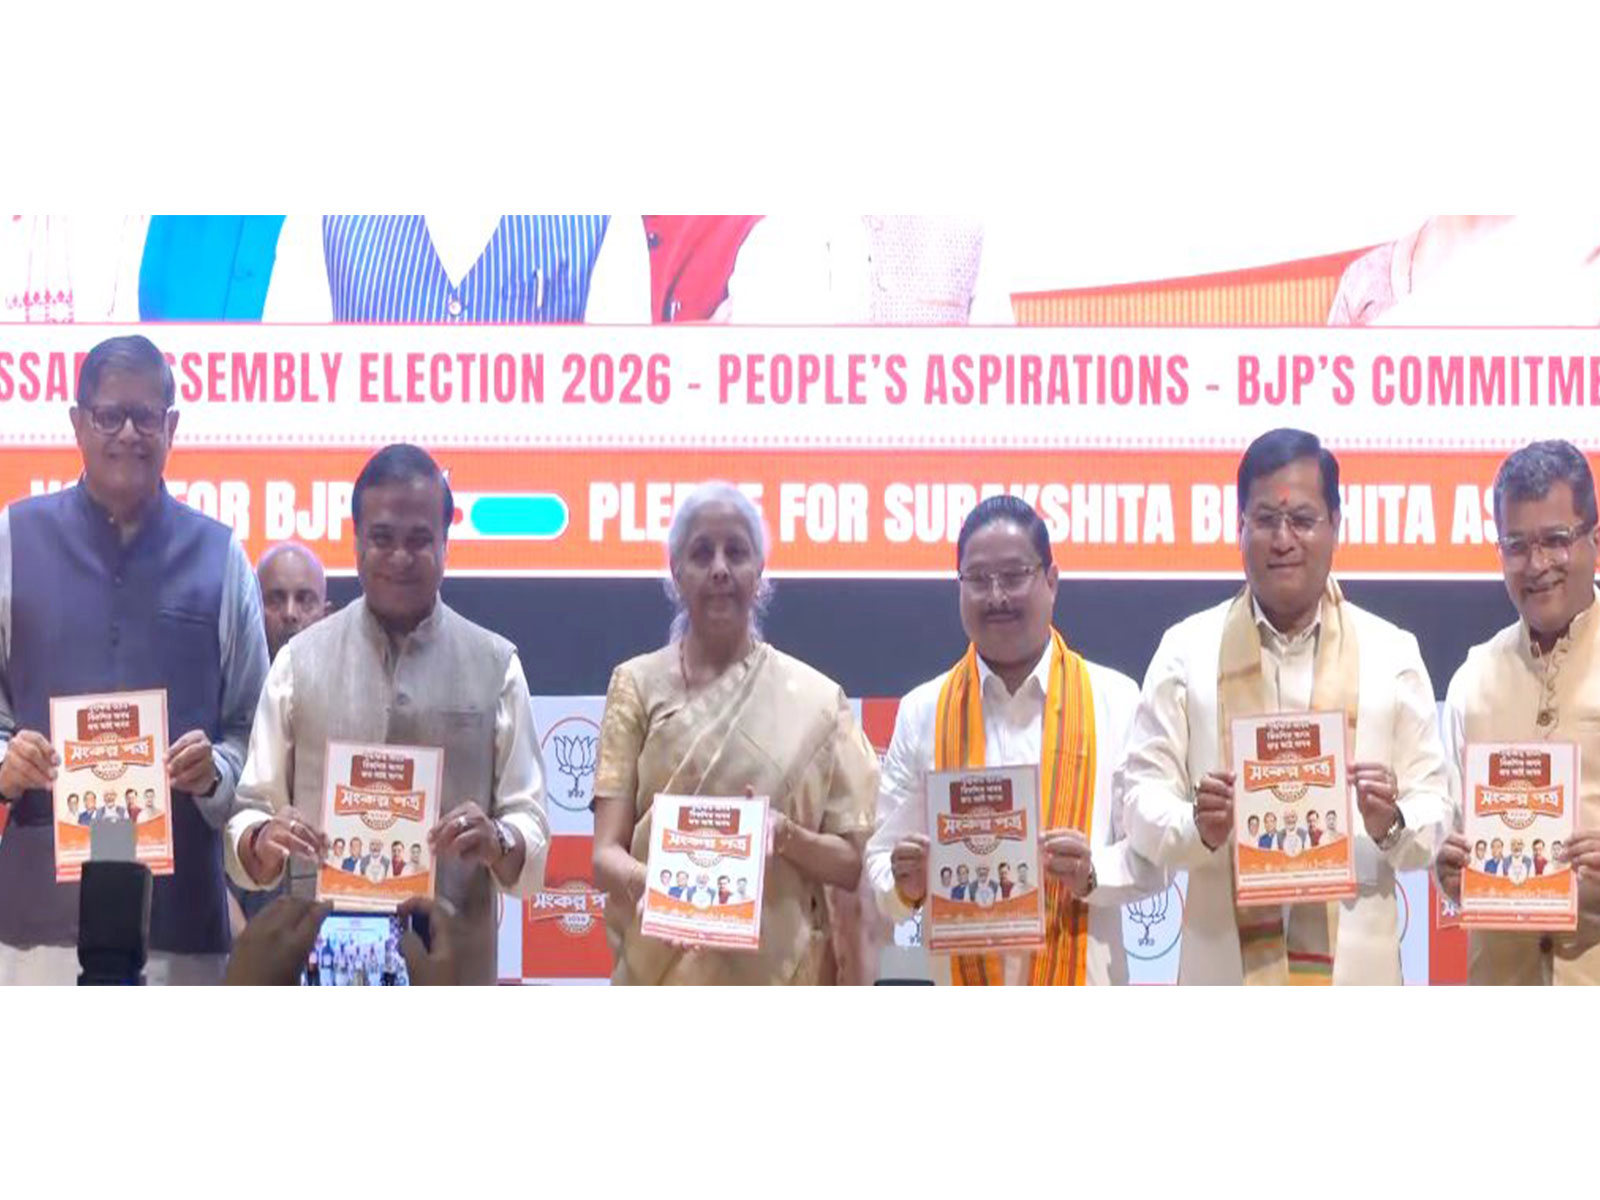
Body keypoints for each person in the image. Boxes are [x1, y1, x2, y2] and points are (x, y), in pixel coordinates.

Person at [1123, 428, 1450, 985]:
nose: (1282, 540)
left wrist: (1391, 821)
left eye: (1301, 519)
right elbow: (1139, 801)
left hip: (1356, 979)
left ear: (1336, 527)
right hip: (1222, 972)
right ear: (1239, 528)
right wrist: (1196, 826)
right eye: (1264, 520)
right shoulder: (1186, 650)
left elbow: (1437, 810)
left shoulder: (1392, 651)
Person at [224, 445, 550, 985]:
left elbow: (530, 823)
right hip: (318, 969)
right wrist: (260, 840)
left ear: (445, 544)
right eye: (382, 539)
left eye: (420, 540)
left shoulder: (496, 665)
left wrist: (500, 838)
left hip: (453, 970)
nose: (400, 556)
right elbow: (249, 812)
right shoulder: (298, 663)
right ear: (356, 544)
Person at [0, 335, 270, 985]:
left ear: (171, 426)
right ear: (76, 422)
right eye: (108, 415)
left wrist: (216, 771)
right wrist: (6, 764)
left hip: (180, 928)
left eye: (146, 416)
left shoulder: (221, 558)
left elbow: (257, 739)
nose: (128, 433)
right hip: (37, 928)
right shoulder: (14, 538)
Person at [868, 495, 1165, 985]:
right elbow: (881, 863)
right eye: (977, 579)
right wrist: (904, 884)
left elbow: (1154, 859)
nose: (997, 596)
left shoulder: (1115, 698)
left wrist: (1094, 872)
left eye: (1013, 575)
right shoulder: (923, 711)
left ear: (1051, 581)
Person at [591, 482, 878, 984]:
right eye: (702, 553)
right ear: (677, 572)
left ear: (759, 573)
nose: (720, 568)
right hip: (660, 972)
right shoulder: (634, 685)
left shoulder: (817, 700)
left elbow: (854, 863)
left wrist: (785, 835)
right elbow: (603, 855)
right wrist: (656, 890)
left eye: (736, 552)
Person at [1436, 442, 1600, 983]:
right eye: (1516, 545)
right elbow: (1449, 844)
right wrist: (1450, 874)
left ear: (1595, 539)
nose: (1537, 566)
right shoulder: (1472, 683)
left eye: (1556, 540)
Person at [263, 215, 650, 323]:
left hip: (535, 510)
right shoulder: (324, 215)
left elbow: (624, 419)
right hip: (365, 512)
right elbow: (282, 401)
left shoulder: (602, 218)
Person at [258, 542, 331, 663]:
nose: (289, 613)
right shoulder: (231, 680)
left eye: (305, 601)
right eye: (275, 601)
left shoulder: (348, 679)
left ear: (326, 616)